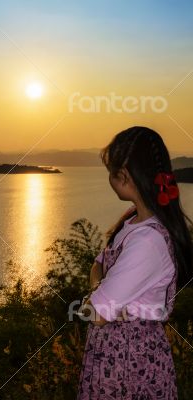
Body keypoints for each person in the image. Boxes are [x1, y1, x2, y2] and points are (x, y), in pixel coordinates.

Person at [76, 126, 193, 400]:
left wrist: (97, 292)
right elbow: (99, 263)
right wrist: (101, 287)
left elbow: (97, 313)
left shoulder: (147, 242)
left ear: (125, 175)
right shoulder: (132, 221)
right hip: (119, 355)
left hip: (130, 362)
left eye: (111, 171)